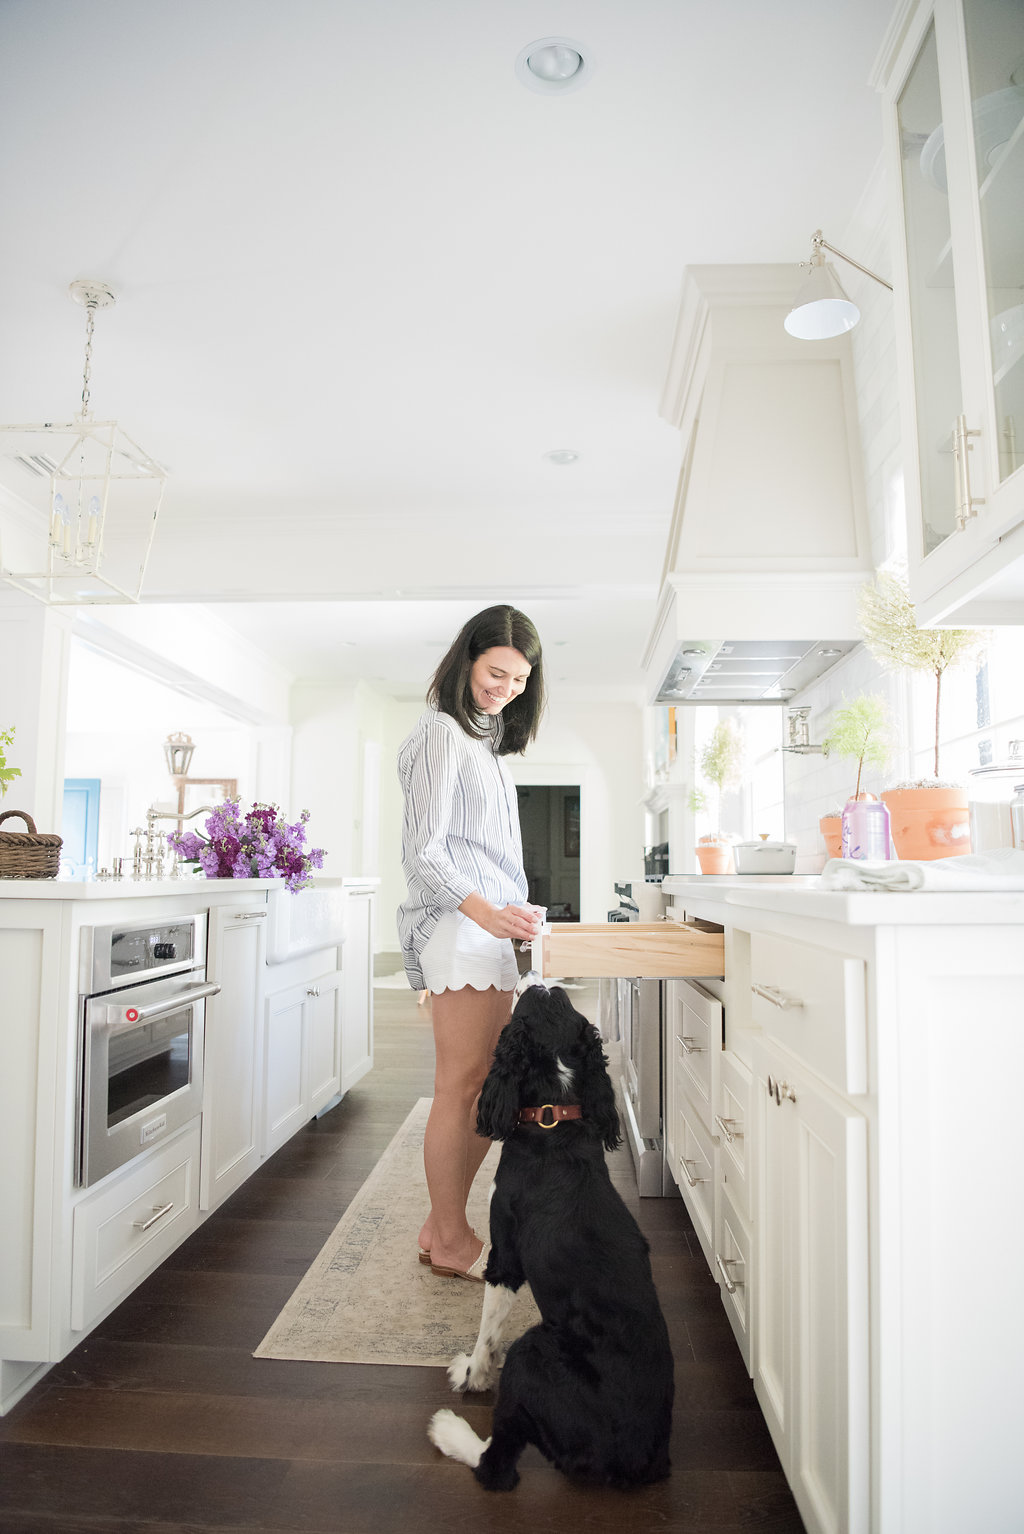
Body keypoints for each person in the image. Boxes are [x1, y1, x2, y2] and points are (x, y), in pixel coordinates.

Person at [397, 604, 546, 1281]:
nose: (505, 689)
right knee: (461, 1087)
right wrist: (488, 913)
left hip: (488, 930)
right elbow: (424, 853)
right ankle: (453, 1238)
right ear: (467, 660)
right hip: (462, 929)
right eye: (496, 673)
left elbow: (481, 851)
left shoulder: (480, 744)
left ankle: (441, 1222)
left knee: (489, 1084)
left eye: (518, 681)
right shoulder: (438, 735)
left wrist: (509, 912)